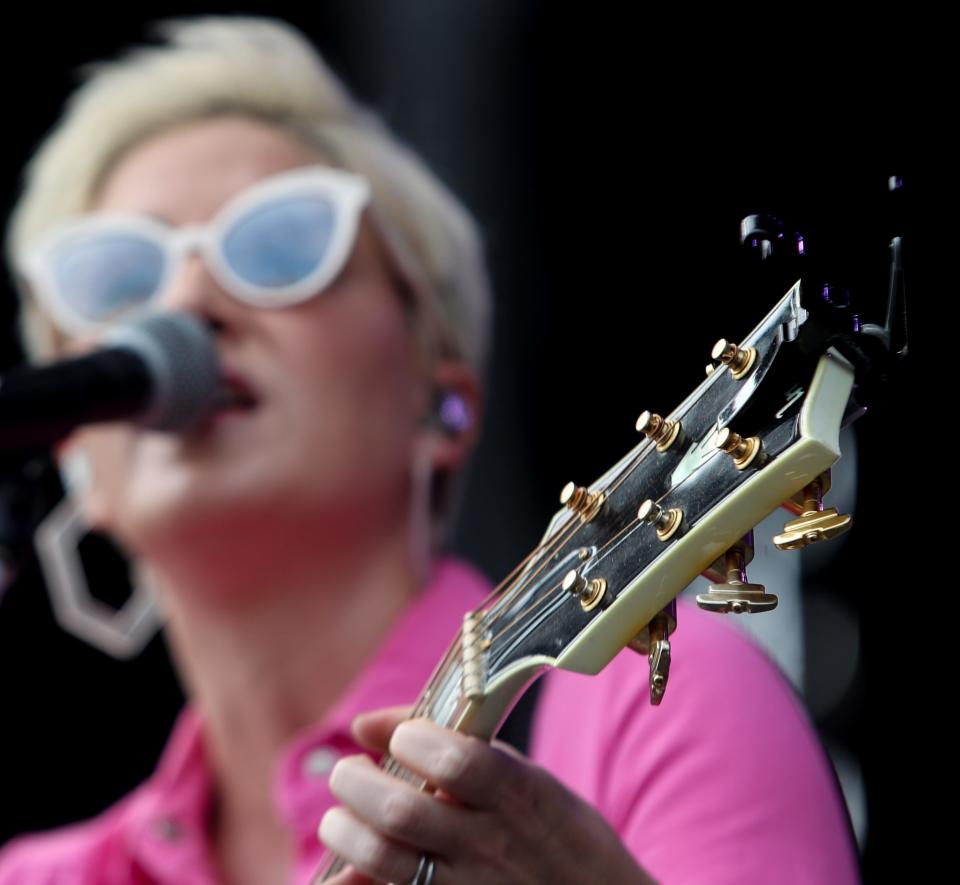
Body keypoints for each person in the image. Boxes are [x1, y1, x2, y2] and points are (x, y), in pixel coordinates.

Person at [0, 15, 860, 885]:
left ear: (444, 404)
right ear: (75, 459)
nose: (185, 300)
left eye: (283, 245)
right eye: (117, 279)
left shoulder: (659, 704)